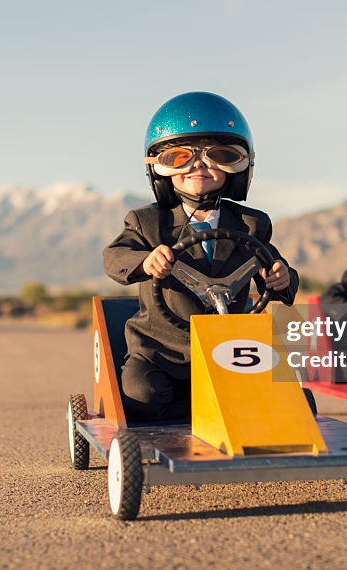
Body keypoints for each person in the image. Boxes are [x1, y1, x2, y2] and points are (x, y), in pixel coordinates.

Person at [103, 91, 299, 422]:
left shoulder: (252, 224)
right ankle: (203, 407)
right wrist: (145, 261)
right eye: (180, 157)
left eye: (218, 156)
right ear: (159, 168)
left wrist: (282, 278)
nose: (199, 166)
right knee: (141, 394)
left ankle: (221, 406)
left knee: (294, 400)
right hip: (162, 351)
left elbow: (278, 269)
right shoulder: (147, 222)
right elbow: (115, 256)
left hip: (232, 349)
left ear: (238, 167)